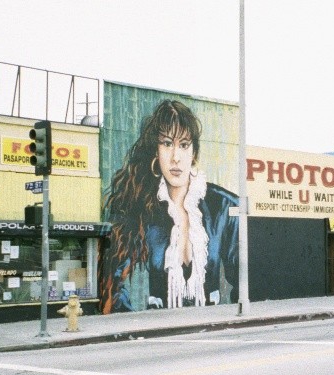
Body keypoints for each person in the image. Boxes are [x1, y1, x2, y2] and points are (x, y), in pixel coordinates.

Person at [99, 99, 239, 313]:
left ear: (193, 153)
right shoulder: (136, 207)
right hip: (160, 334)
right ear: (156, 151)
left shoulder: (223, 205)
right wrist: (139, 328)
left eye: (184, 145)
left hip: (209, 330)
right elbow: (114, 285)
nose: (176, 157)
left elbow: (245, 280)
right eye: (166, 143)